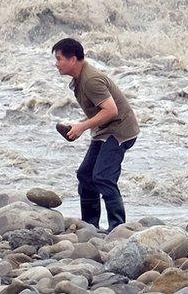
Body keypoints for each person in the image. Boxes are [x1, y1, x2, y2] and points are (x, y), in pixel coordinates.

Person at [52, 37, 139, 232]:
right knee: (85, 175)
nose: (56, 64)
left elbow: (111, 111)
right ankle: (90, 225)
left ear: (73, 59)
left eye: (59, 59)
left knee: (103, 177)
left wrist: (82, 127)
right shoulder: (79, 78)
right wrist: (79, 127)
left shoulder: (91, 80)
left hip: (120, 130)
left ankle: (118, 228)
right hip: (105, 130)